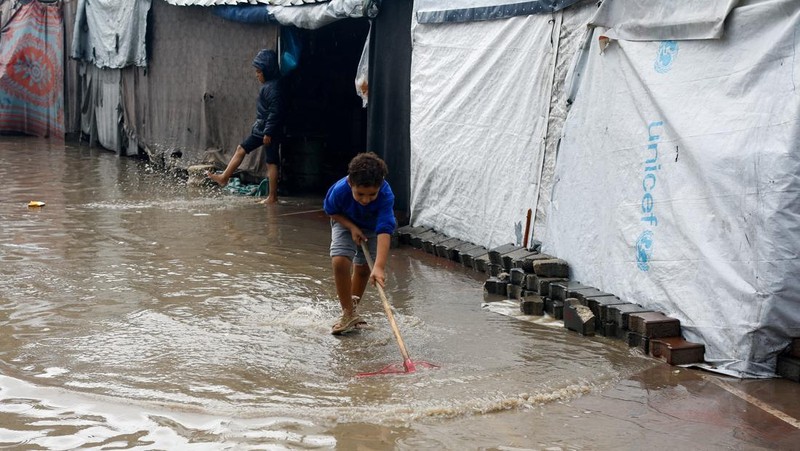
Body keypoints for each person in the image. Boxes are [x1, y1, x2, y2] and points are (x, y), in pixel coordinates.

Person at [324, 152, 396, 335]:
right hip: (344, 221)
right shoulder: (340, 190)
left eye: (372, 194)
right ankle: (347, 313)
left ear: (380, 186)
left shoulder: (386, 195)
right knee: (340, 260)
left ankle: (353, 310)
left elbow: (384, 229)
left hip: (372, 227)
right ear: (351, 183)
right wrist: (352, 227)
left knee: (364, 269)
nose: (365, 200)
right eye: (360, 194)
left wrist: (379, 267)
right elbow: (331, 211)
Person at [208, 49, 283, 204]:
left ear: (267, 71)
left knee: (271, 162)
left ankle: (272, 197)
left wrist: (268, 132)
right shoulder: (270, 86)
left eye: (259, 72)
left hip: (267, 131)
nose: (257, 75)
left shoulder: (273, 88)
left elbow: (275, 112)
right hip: (263, 129)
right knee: (242, 149)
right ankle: (224, 177)